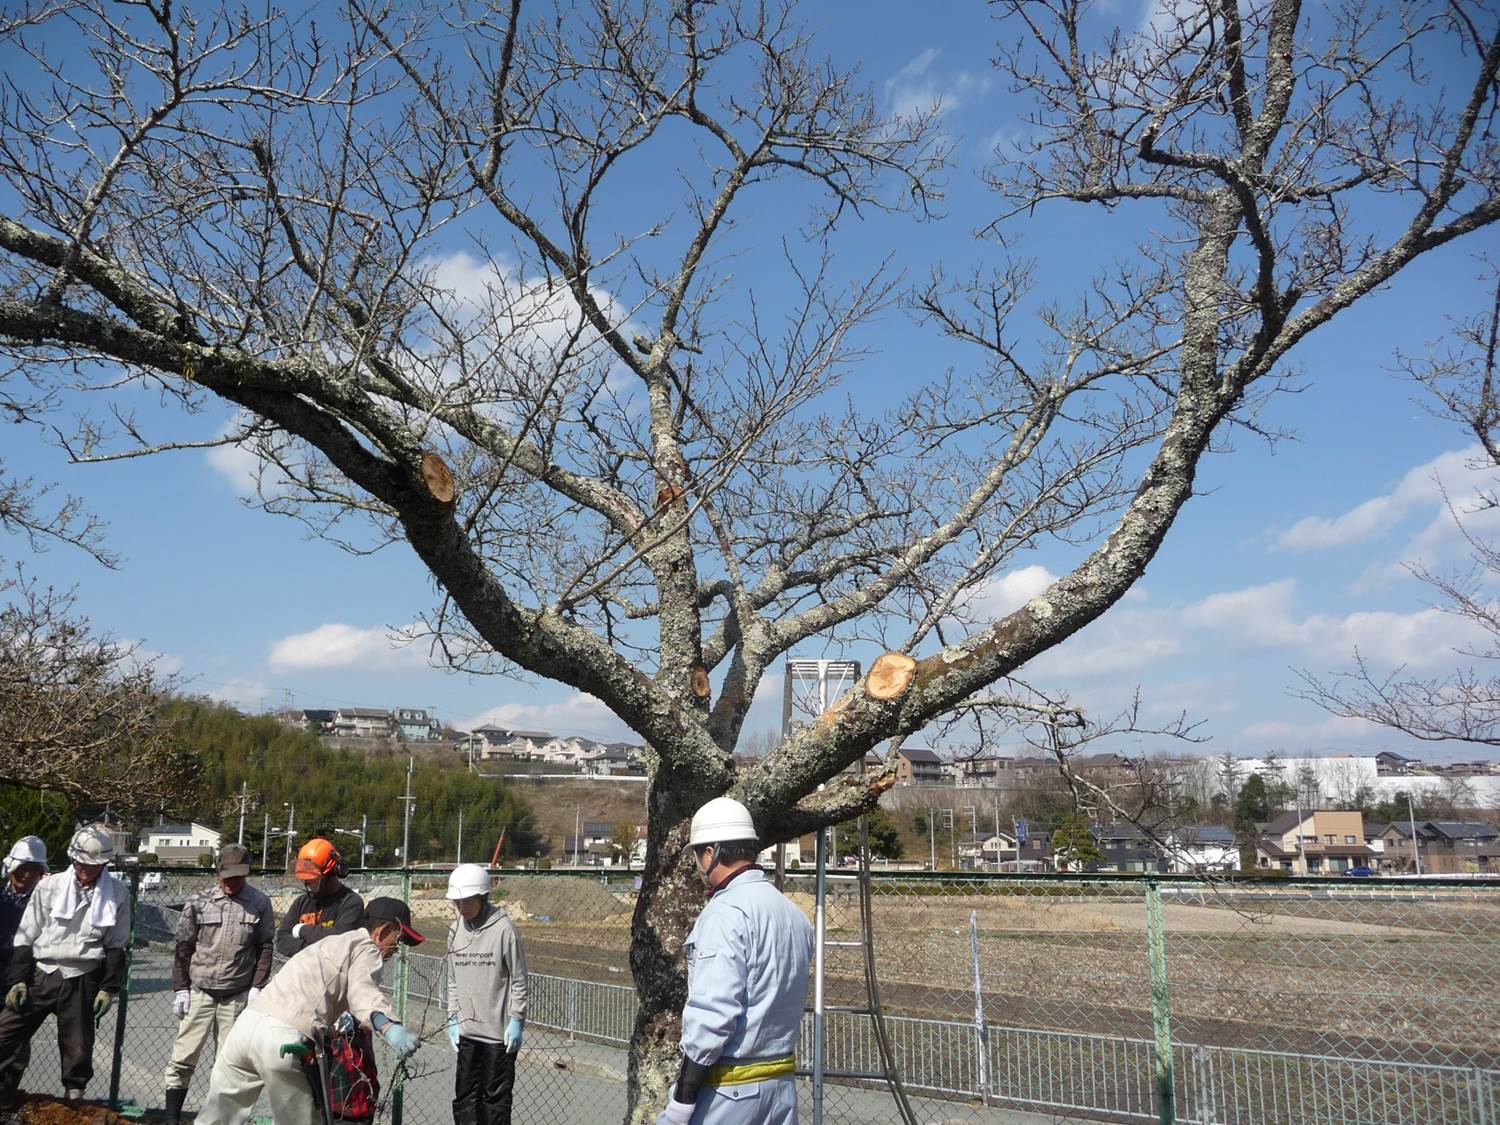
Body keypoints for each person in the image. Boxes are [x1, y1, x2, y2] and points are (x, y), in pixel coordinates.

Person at [196, 896, 425, 1125]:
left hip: (245, 1028)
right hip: (280, 1038)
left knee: (217, 1117)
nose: (396, 950)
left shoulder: (328, 944)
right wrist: (388, 1026)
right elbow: (363, 993)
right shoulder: (366, 948)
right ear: (383, 931)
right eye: (399, 939)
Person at [658, 797, 813, 1125]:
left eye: (699, 855)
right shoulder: (793, 914)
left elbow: (713, 1013)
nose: (699, 867)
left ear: (712, 853)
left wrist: (683, 1099)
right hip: (780, 1088)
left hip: (729, 1092)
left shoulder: (725, 914)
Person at [0, 825, 130, 1101]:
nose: (86, 870)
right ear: (73, 858)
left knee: (78, 1046)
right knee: (6, 1030)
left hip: (82, 975)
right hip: (42, 972)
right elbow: (26, 935)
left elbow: (117, 945)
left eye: (93, 865)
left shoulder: (117, 894)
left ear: (105, 863)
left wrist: (108, 988)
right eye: (81, 863)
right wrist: (18, 981)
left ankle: (74, 1099)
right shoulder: (50, 887)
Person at [162, 845, 274, 1125]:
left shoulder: (259, 903)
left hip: (236, 995)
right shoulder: (199, 901)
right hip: (200, 992)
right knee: (182, 1058)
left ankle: (217, 1120)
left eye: (237, 877)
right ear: (217, 872)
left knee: (229, 1065)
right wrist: (181, 989)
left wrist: (257, 988)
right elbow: (184, 947)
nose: (230, 883)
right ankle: (171, 1120)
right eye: (226, 876)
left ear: (246, 875)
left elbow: (265, 947)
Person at [443, 863, 528, 1125]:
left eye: (467, 900)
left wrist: (516, 1020)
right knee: (464, 1098)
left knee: (495, 1102)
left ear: (482, 896)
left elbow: (519, 980)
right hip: (467, 1032)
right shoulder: (455, 931)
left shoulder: (504, 931)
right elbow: (453, 979)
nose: (462, 906)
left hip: (497, 1036)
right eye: (457, 901)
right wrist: (453, 1017)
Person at [276, 838, 363, 958]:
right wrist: (313, 950)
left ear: (333, 871)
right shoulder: (301, 903)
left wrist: (300, 929)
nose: (306, 881)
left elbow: (339, 940)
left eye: (313, 877)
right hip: (302, 974)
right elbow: (282, 940)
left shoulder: (351, 902)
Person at [0, 838, 48, 982]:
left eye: (34, 870)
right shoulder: (2, 897)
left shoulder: (44, 902)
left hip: (26, 974)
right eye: (23, 868)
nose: (27, 874)